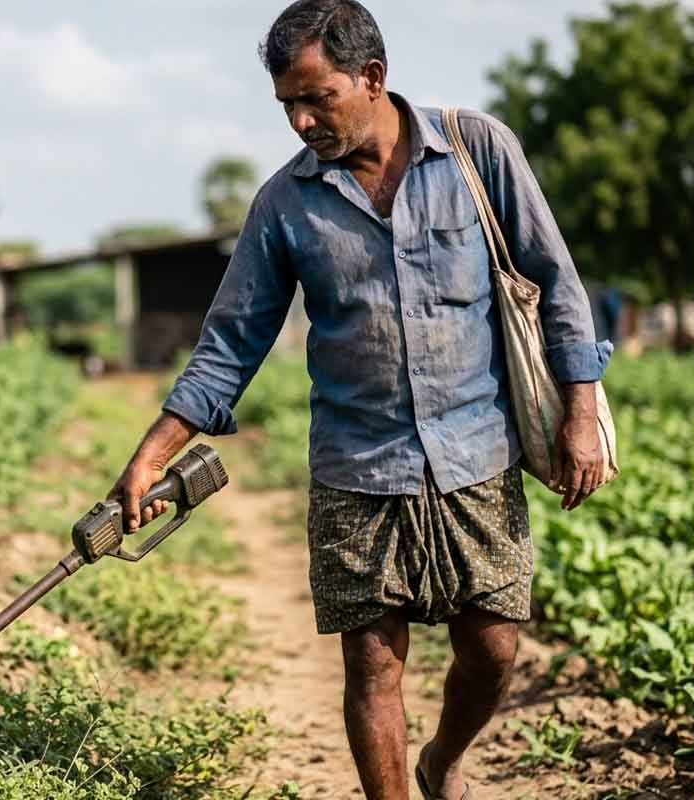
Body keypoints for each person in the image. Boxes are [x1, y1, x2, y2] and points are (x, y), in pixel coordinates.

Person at [107, 1, 612, 798]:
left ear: (372, 77)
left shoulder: (479, 150)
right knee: (372, 666)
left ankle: (442, 759)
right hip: (356, 467)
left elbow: (556, 283)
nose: (302, 120)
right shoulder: (284, 205)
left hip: (475, 452)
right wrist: (148, 458)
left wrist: (581, 412)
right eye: (287, 107)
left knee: (494, 650)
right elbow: (230, 343)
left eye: (317, 98)